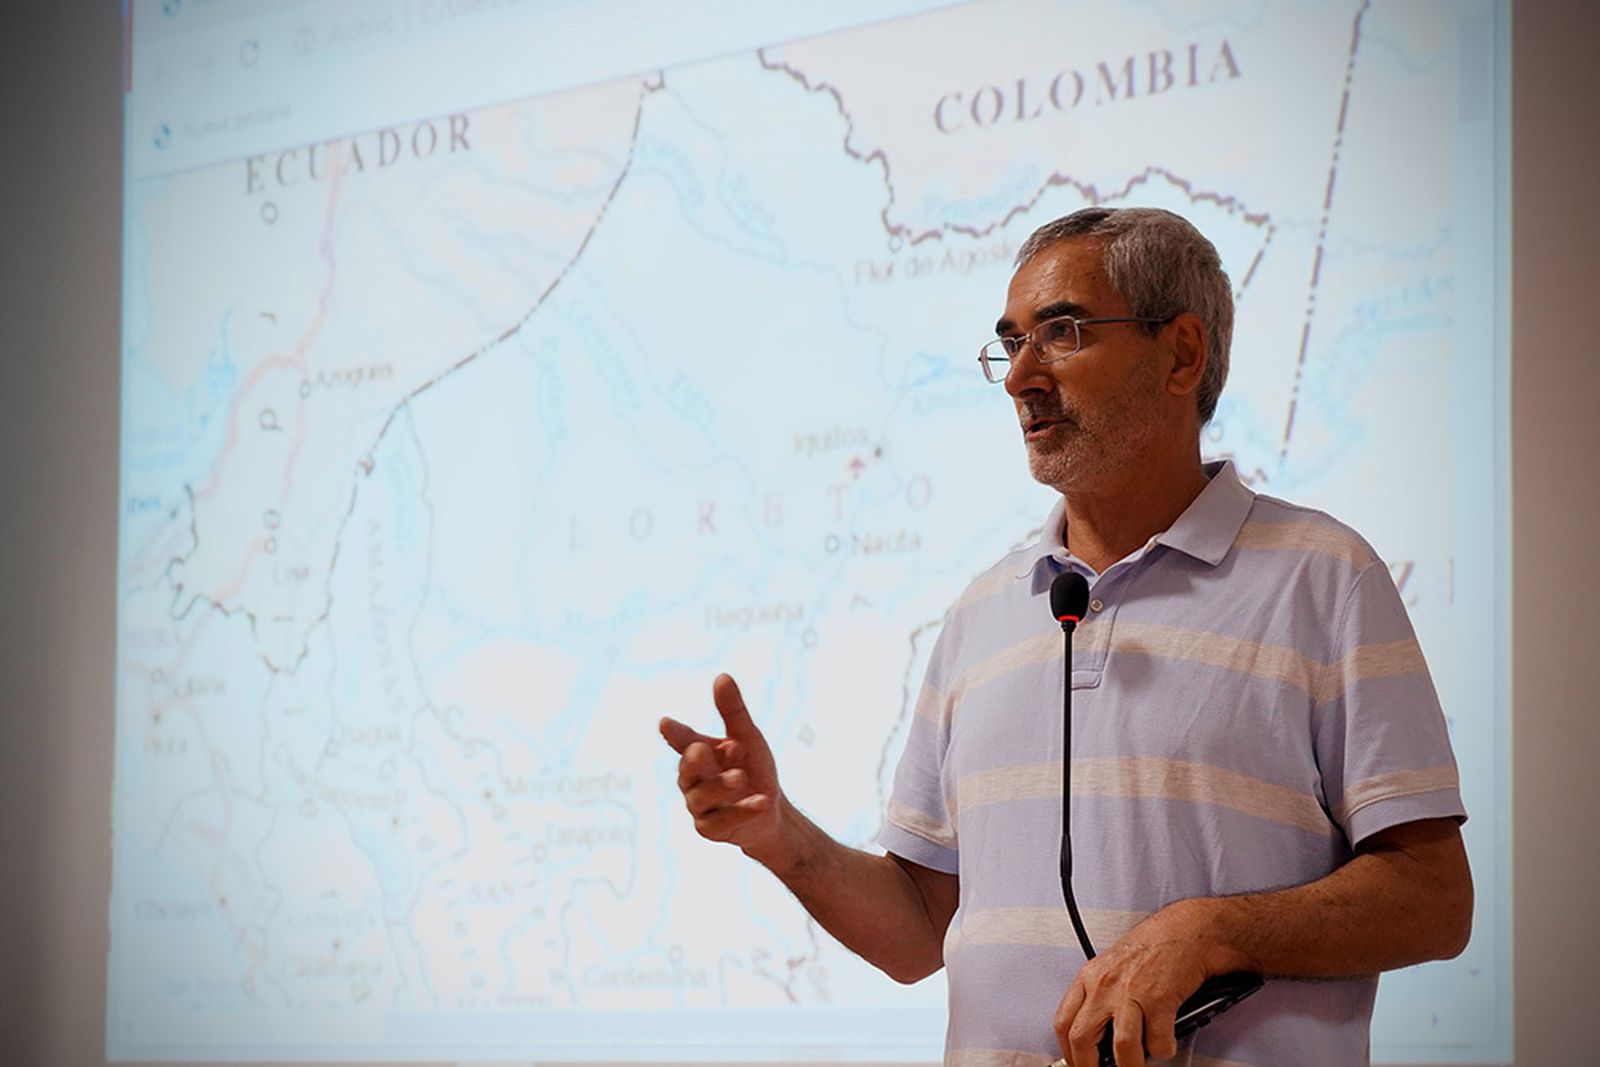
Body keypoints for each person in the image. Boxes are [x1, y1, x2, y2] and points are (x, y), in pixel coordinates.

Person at [659, 207, 1472, 1067]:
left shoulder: (1324, 576)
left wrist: (1211, 931)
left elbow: (1433, 898)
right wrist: (779, 833)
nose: (1020, 377)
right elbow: (916, 932)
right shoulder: (984, 612)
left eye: (1062, 333)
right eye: (1011, 344)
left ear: (1182, 354)